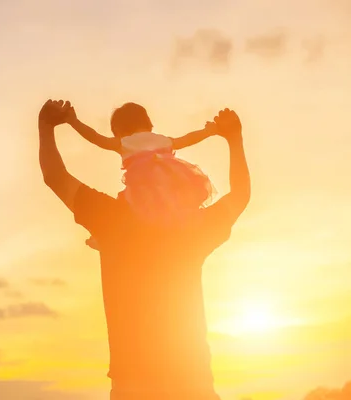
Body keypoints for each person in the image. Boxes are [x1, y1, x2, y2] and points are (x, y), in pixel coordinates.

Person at [38, 99, 250, 400]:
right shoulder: (191, 229)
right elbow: (240, 195)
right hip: (194, 382)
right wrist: (233, 138)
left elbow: (55, 176)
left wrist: (46, 128)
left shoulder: (111, 221)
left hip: (134, 386)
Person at [64, 102, 217, 249]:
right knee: (177, 210)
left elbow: (95, 138)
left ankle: (105, 241)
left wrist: (73, 121)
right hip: (169, 185)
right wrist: (208, 131)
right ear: (148, 123)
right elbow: (188, 139)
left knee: (123, 213)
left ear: (118, 130)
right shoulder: (162, 139)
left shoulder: (125, 142)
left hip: (143, 189)